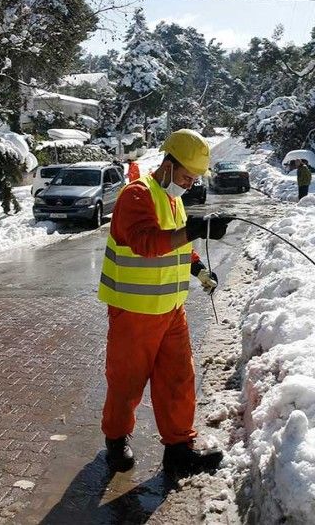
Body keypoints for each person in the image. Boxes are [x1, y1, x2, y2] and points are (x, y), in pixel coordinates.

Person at [98, 129, 234, 478]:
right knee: (126, 383)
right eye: (187, 176)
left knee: (178, 380)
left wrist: (199, 268)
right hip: (135, 312)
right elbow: (145, 242)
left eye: (194, 179)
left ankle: (178, 450)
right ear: (168, 164)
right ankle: (116, 440)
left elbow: (177, 245)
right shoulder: (137, 195)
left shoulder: (173, 200)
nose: (189, 185)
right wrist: (193, 231)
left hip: (172, 309)